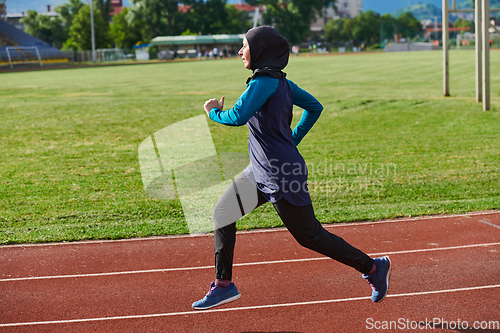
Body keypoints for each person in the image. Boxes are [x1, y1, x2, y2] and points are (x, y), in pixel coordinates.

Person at [192, 26, 391, 310]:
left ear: (260, 51)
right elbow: (315, 108)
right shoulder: (282, 83)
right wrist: (290, 141)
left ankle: (373, 268)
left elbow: (237, 117)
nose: (239, 52)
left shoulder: (262, 83)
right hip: (261, 172)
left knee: (310, 236)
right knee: (223, 213)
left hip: (281, 175)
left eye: (244, 46)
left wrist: (212, 111)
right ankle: (224, 286)